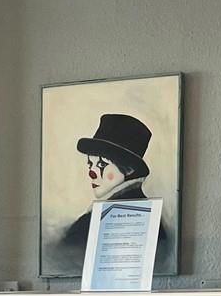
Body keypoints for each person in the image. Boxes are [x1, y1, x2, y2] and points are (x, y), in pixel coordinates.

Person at [48, 112, 170, 275]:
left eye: (102, 164)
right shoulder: (145, 215)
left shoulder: (104, 220)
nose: (92, 172)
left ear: (128, 169)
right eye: (90, 164)